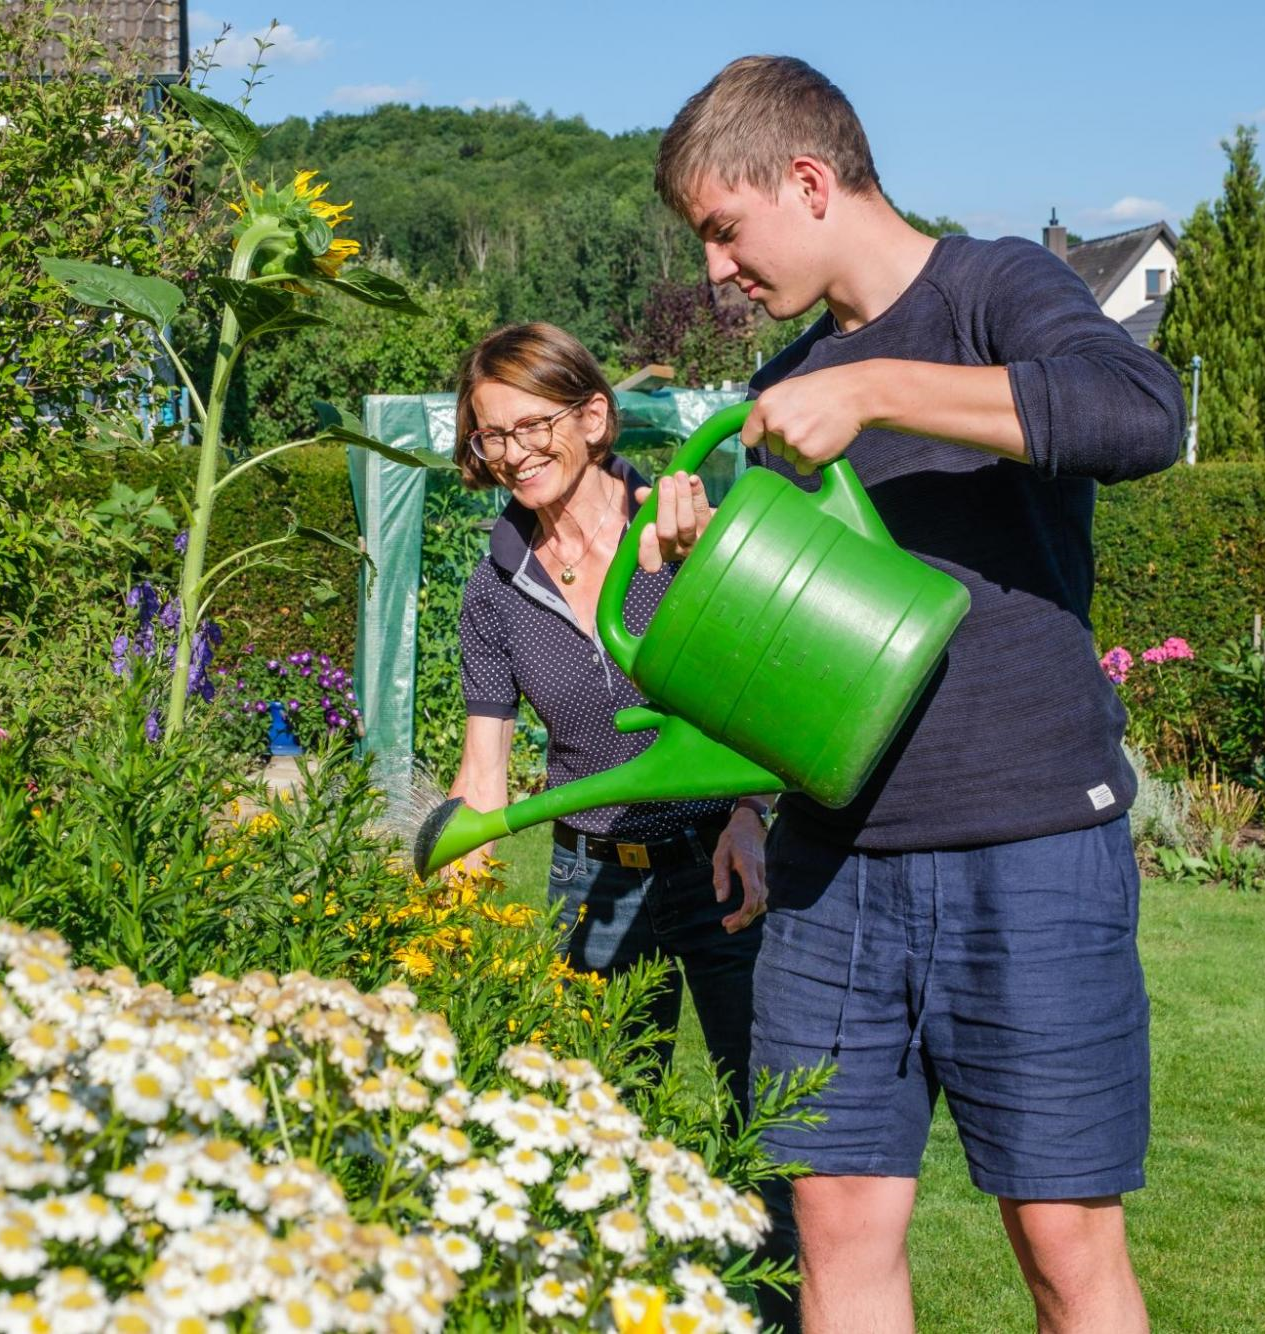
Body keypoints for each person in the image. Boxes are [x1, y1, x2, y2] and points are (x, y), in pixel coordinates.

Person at [641, 56, 1185, 1334]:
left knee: (1062, 1243)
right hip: (833, 866)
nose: (715, 270)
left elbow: (1139, 413)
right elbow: (777, 651)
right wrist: (698, 555)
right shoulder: (778, 391)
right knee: (830, 1229)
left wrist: (874, 384)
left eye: (723, 230)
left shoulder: (994, 285)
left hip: (1032, 840)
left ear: (810, 180)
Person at [445, 321, 774, 1118]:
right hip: (590, 879)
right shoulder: (494, 588)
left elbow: (759, 694)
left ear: (591, 419)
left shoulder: (679, 530)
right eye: (493, 436)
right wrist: (443, 895)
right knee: (601, 1124)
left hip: (720, 862)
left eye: (532, 425)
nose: (513, 452)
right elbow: (484, 769)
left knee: (768, 1115)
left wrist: (751, 814)